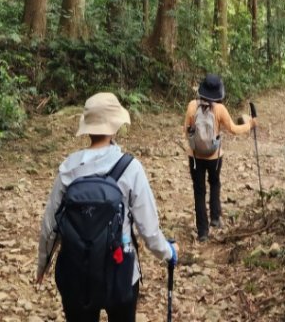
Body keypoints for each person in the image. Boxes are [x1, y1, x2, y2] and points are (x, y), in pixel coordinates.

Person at [37, 91, 178, 322]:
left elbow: (50, 226)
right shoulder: (131, 168)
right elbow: (149, 230)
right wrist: (168, 252)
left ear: (87, 128)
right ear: (115, 127)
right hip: (120, 271)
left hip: (75, 271)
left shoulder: (68, 168)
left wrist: (42, 265)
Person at [184, 73, 256, 242]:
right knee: (215, 183)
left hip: (195, 157)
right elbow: (233, 129)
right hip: (214, 157)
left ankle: (203, 231)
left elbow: (186, 130)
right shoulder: (220, 109)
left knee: (199, 191)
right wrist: (250, 125)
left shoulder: (192, 106)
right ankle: (215, 217)